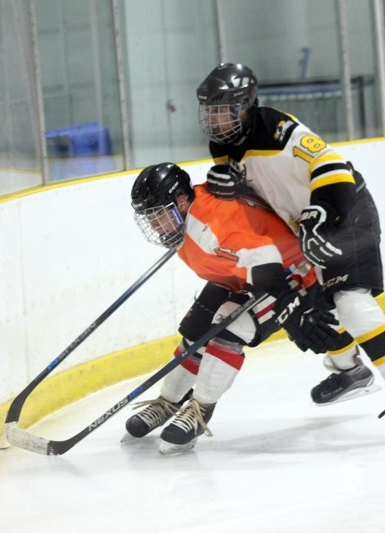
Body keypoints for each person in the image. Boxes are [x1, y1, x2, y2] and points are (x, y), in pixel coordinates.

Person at [195, 62, 385, 443]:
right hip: (298, 229)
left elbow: (331, 166)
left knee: (350, 301)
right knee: (307, 311)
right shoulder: (220, 148)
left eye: (221, 111)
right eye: (209, 111)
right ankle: (350, 370)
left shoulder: (276, 128)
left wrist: (319, 214)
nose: (214, 120)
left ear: (245, 106)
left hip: (344, 209)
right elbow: (262, 197)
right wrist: (231, 192)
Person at [126, 162, 340, 455]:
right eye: (149, 218)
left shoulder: (210, 227)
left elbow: (267, 263)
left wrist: (295, 308)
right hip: (241, 273)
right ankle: (168, 401)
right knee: (195, 332)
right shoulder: (184, 218)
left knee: (227, 327)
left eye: (159, 215)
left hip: (290, 275)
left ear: (181, 201)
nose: (155, 225)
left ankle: (200, 410)